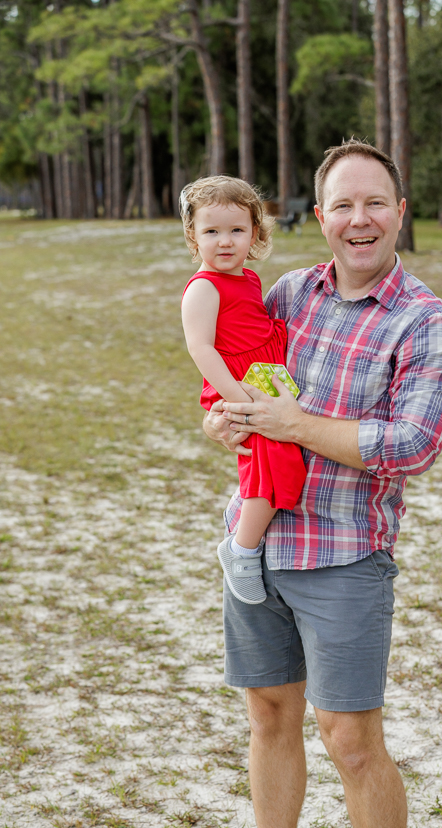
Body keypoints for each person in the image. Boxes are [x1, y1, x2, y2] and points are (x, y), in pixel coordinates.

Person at [204, 140, 442, 828]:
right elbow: (241, 381)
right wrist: (223, 420)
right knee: (267, 716)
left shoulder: (423, 321)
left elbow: (413, 444)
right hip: (254, 545)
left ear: (399, 213)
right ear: (320, 216)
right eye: (343, 205)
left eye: (374, 203)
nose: (360, 219)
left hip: (345, 556)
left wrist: (298, 426)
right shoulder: (286, 293)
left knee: (349, 738)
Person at [179, 176, 306, 606]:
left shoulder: (249, 278)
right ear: (193, 237)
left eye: (236, 230)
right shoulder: (203, 288)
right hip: (234, 386)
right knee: (273, 460)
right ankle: (241, 549)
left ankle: (249, 531)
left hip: (257, 381)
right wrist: (236, 396)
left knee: (278, 461)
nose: (225, 241)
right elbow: (200, 348)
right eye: (211, 231)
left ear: (255, 232)